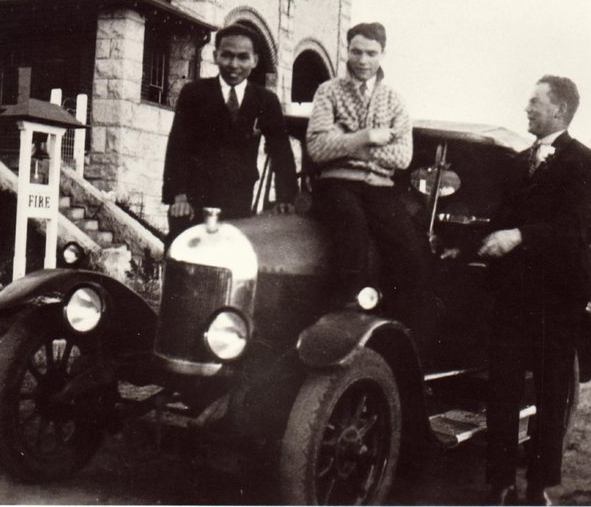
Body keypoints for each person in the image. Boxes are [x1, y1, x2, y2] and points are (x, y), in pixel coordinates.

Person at [477, 75, 591, 505]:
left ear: (559, 111)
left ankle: (538, 488)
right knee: (502, 391)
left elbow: (572, 227)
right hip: (514, 293)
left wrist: (519, 236)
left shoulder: (582, 162)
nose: (526, 108)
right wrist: (466, 247)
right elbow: (499, 219)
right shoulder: (518, 162)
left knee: (551, 394)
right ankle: (501, 484)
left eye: (534, 102)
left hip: (558, 294)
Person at [305, 22, 436, 355]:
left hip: (380, 187)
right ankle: (341, 325)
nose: (363, 60)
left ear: (383, 53)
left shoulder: (395, 101)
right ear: (346, 50)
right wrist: (365, 137)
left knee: (412, 250)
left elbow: (403, 156)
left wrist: (343, 140)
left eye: (371, 53)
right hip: (337, 183)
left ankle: (407, 345)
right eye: (356, 51)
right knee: (352, 230)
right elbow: (317, 149)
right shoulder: (328, 92)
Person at [162, 24, 297, 243]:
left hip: (238, 201)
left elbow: (281, 150)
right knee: (185, 257)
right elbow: (177, 147)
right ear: (215, 56)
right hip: (192, 202)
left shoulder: (266, 101)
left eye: (243, 57)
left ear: (255, 60)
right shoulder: (194, 94)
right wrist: (178, 196)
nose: (234, 65)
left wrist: (286, 197)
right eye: (227, 56)